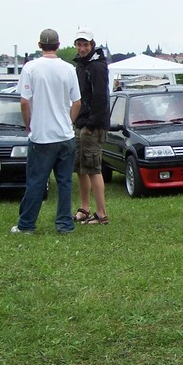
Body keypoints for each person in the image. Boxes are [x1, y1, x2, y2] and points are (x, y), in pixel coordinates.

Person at [11, 28, 81, 234]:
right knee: (65, 182)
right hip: (65, 136)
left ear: (40, 45)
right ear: (58, 46)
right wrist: (68, 122)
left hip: (41, 137)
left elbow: (24, 102)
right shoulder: (69, 69)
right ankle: (64, 224)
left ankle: (26, 224)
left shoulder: (30, 68)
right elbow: (77, 102)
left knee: (36, 182)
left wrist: (29, 125)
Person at [72, 28, 110, 225]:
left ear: (92, 45)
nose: (82, 48)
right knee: (81, 168)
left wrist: (90, 124)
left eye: (85, 44)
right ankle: (85, 208)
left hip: (93, 126)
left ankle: (101, 214)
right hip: (80, 123)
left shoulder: (97, 67)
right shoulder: (81, 66)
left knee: (94, 168)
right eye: (79, 44)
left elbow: (101, 98)